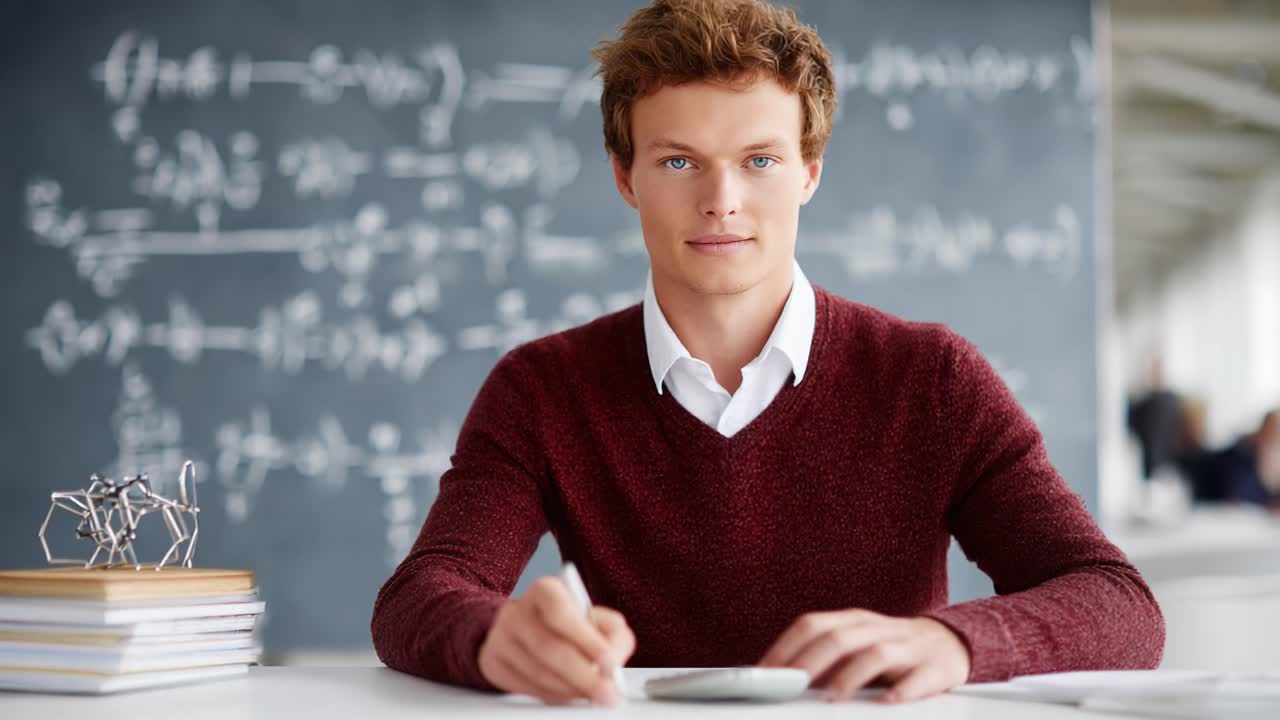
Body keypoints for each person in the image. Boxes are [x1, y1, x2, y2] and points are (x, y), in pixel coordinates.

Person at [371, 0, 1164, 706]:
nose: (722, 200)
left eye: (760, 160)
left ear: (810, 172)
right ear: (625, 177)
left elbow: (1120, 603)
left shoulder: (932, 378)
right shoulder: (542, 389)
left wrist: (954, 642)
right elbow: (418, 598)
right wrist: (494, 635)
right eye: (678, 161)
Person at [1187, 410, 1280, 507]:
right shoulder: (1240, 457)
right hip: (1189, 486)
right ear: (1261, 435)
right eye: (1275, 440)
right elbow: (1238, 499)